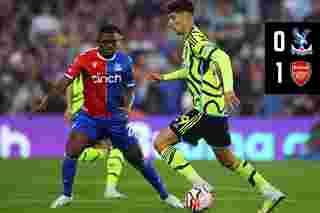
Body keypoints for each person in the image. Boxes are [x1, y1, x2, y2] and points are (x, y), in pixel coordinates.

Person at [146, 1, 285, 213]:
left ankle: (200, 184)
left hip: (203, 111)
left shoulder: (195, 40)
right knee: (228, 160)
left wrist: (228, 89)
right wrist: (164, 77)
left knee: (161, 142)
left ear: (185, 16)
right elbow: (189, 72)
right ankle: (270, 192)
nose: (170, 23)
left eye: (173, 18)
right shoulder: (190, 41)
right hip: (215, 113)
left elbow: (223, 57)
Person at [33, 23, 183, 209]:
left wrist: (126, 108)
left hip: (115, 120)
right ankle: (66, 195)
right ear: (99, 42)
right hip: (90, 118)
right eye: (106, 42)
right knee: (71, 150)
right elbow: (65, 82)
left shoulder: (125, 61)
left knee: (137, 159)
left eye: (113, 41)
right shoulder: (84, 59)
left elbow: (129, 89)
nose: (110, 45)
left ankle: (165, 195)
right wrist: (46, 101)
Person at [64, 28, 127, 199]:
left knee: (111, 145)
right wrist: (70, 107)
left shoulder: (84, 66)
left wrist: (69, 107)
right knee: (114, 146)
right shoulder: (88, 67)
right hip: (87, 113)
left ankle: (109, 185)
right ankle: (109, 187)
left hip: (86, 113)